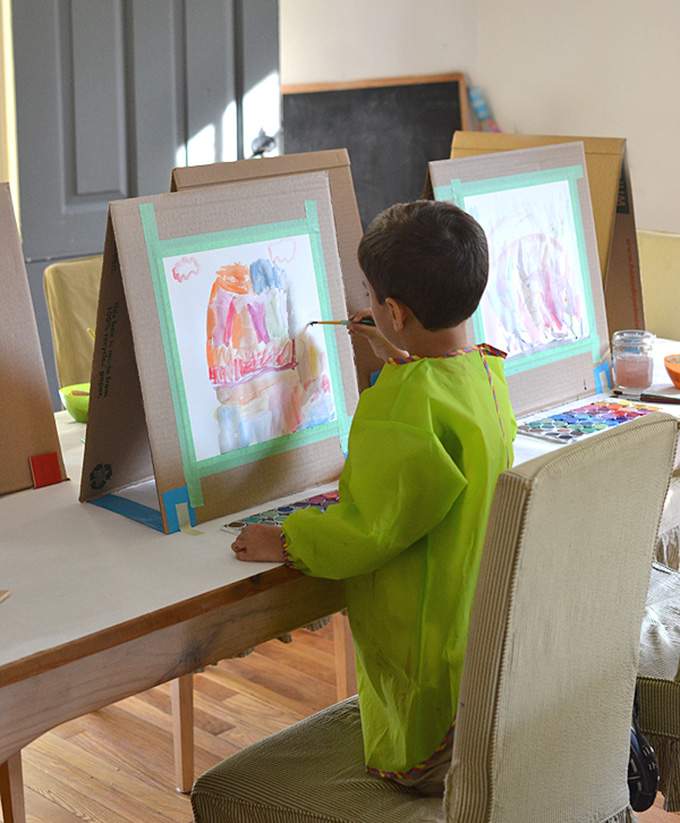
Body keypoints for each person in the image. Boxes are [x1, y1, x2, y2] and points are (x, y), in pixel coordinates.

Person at [231, 200, 517, 795]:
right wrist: (400, 356)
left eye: (369, 291)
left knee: (409, 732)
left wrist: (284, 540)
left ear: (392, 309)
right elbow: (435, 449)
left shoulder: (403, 405)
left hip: (432, 694)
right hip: (485, 667)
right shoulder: (487, 374)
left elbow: (366, 531)